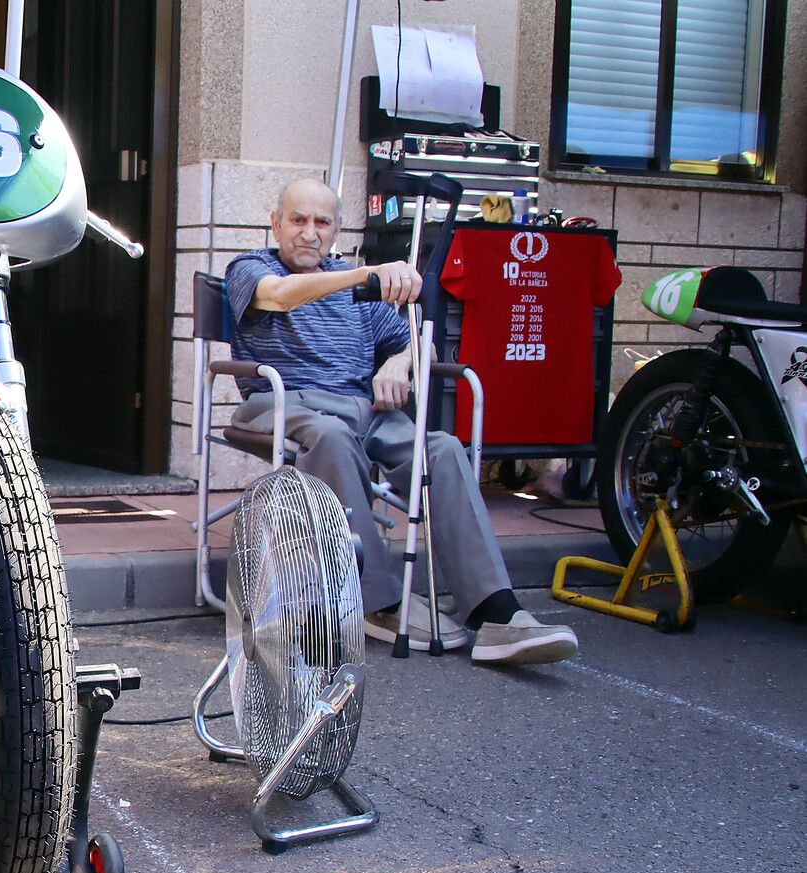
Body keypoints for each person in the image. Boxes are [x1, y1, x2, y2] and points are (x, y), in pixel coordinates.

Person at [224, 177, 576, 666]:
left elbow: (418, 341)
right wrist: (363, 275)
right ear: (276, 224)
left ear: (336, 231)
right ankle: (377, 601)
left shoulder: (356, 284)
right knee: (332, 436)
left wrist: (399, 362)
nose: (309, 233)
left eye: (321, 222)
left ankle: (497, 613)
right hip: (282, 400)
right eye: (298, 220)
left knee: (443, 448)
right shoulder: (251, 267)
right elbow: (282, 296)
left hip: (361, 405)